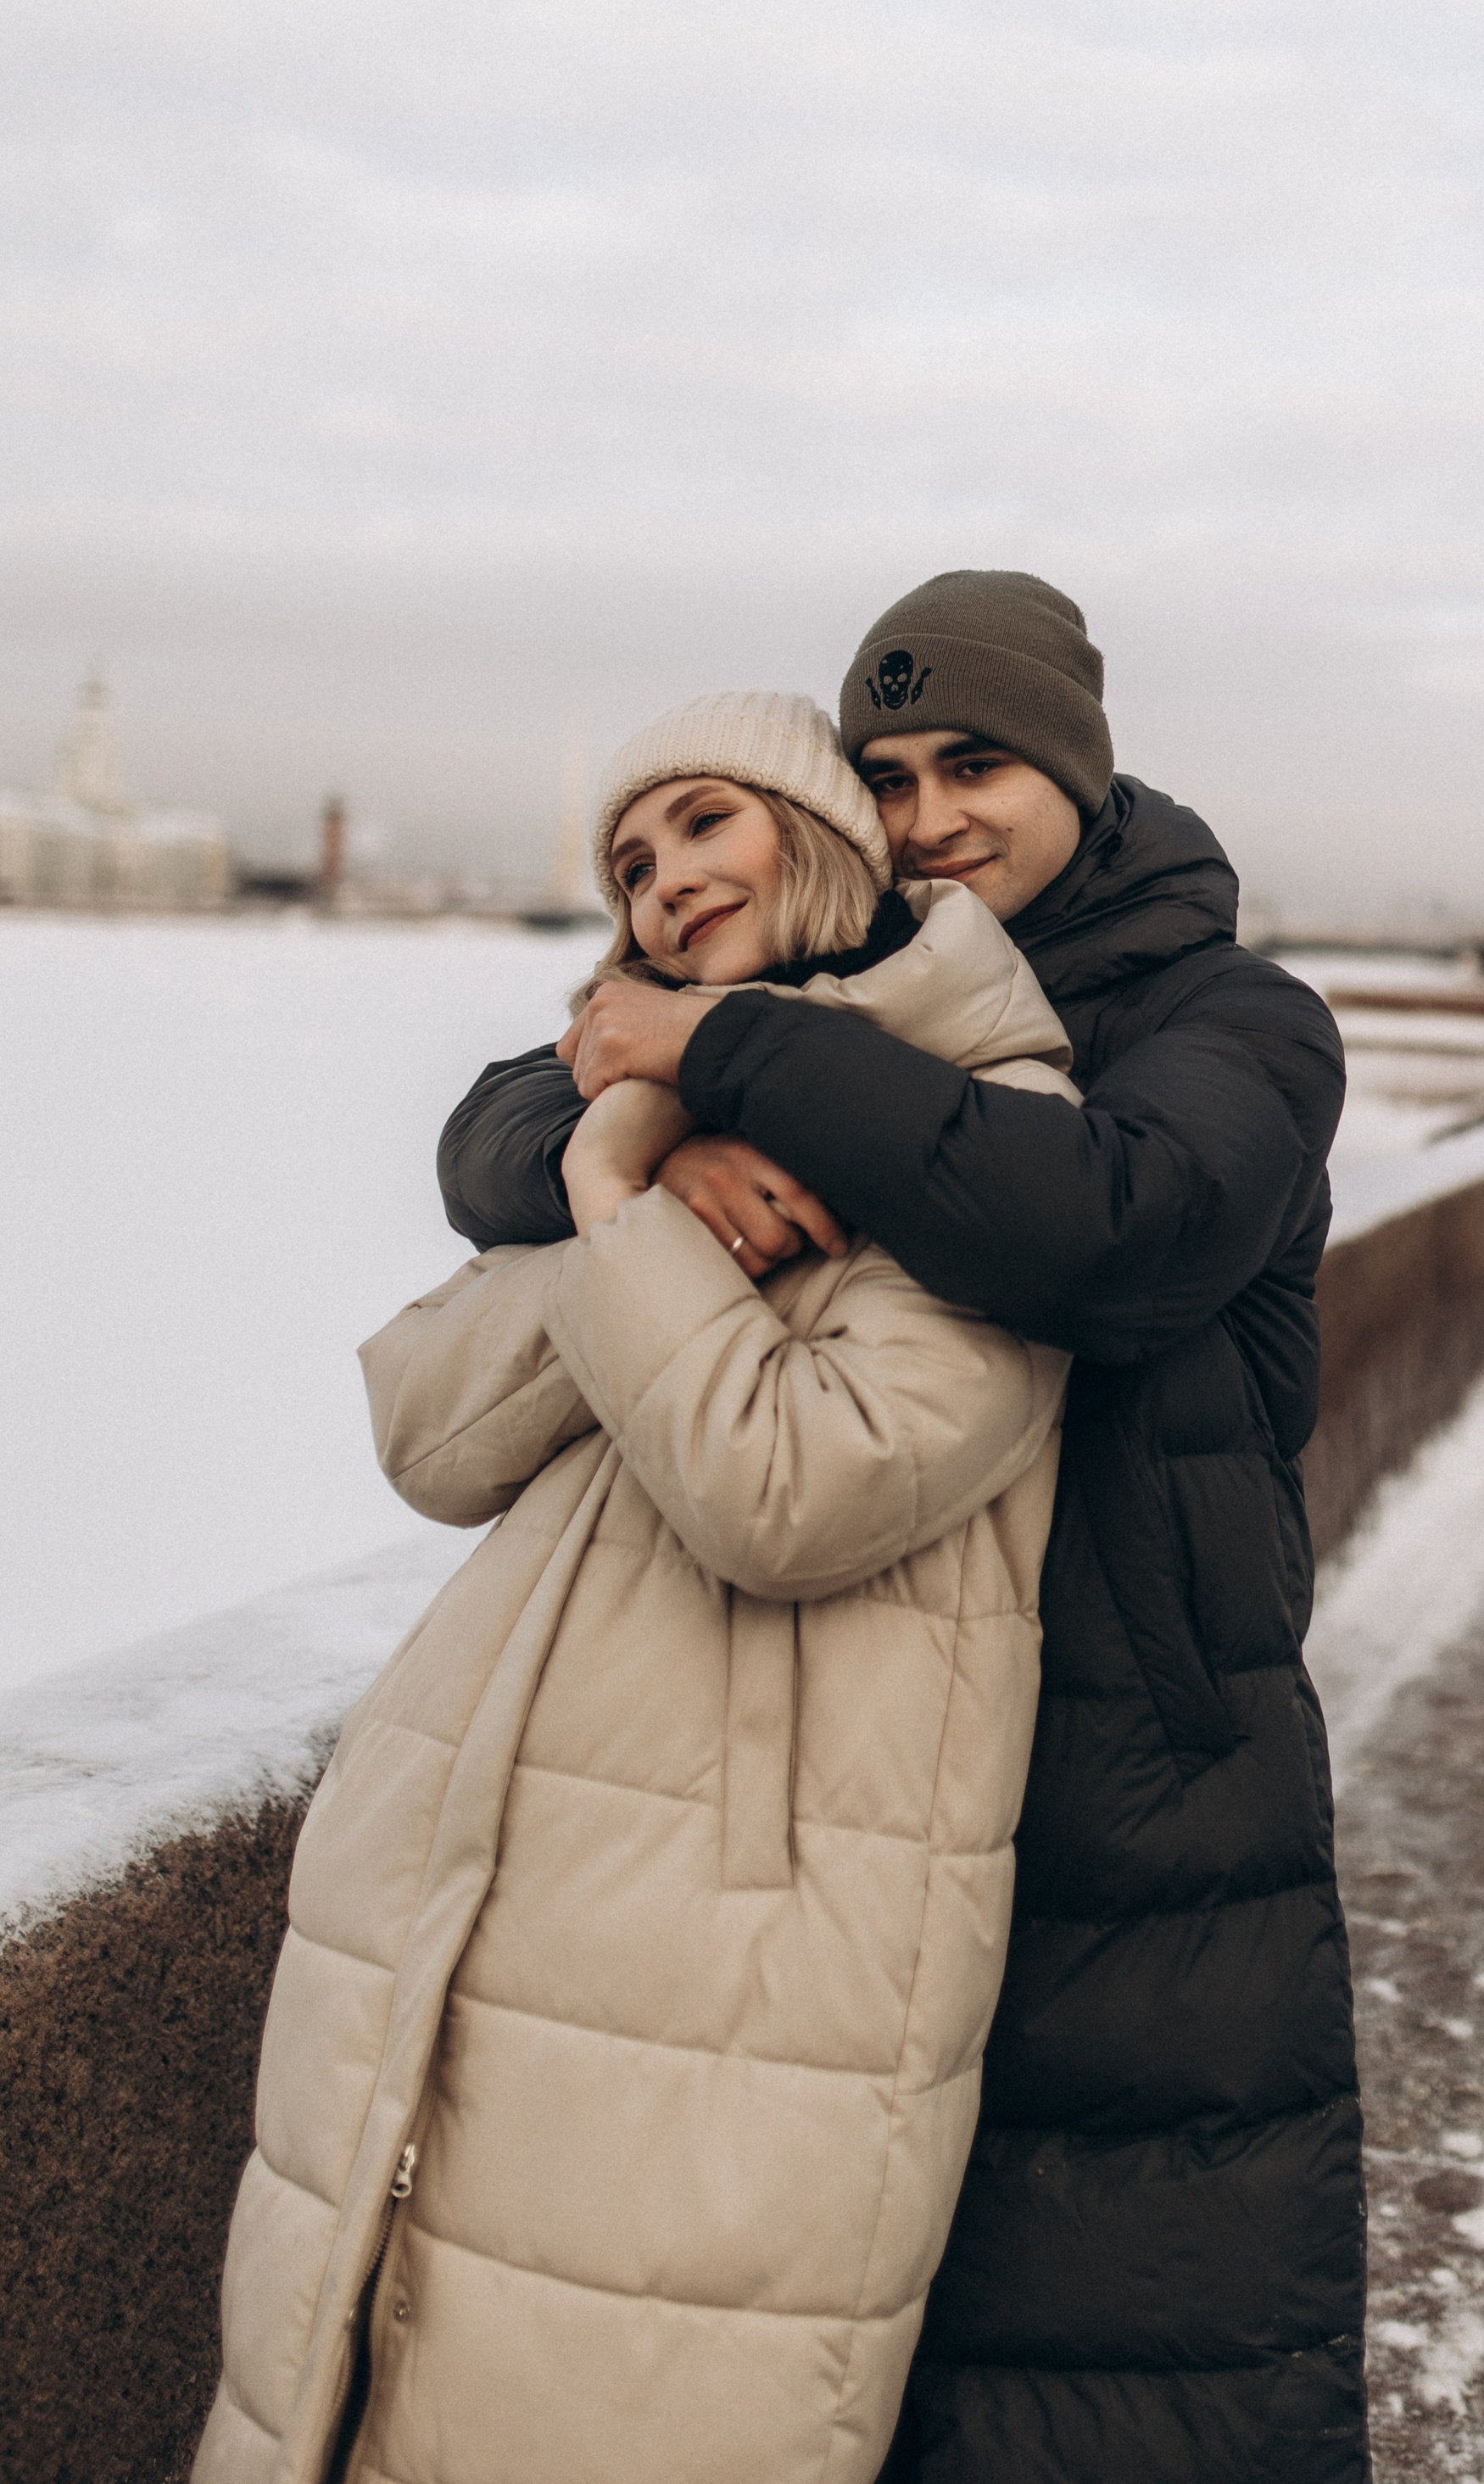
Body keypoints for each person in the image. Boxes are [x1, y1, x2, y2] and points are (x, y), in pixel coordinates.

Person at [439, 573, 1370, 2483]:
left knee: (1125, 2367)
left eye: (977, 765)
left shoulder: (1234, 1021)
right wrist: (658, 1133)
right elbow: (493, 1130)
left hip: (1134, 1793)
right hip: (861, 1779)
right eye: (887, 774)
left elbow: (1111, 1224)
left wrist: (718, 1056)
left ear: (1077, 772)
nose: (932, 815)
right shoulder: (846, 995)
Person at [194, 693, 1078, 2484]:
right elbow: (426, 1424)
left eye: (703, 823)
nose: (663, 879)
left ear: (814, 837)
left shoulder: (988, 1130)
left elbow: (791, 1488)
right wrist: (637, 1172)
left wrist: (612, 1198)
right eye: (629, 862)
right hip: (474, 1888)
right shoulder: (645, 1120)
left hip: (734, 1957)